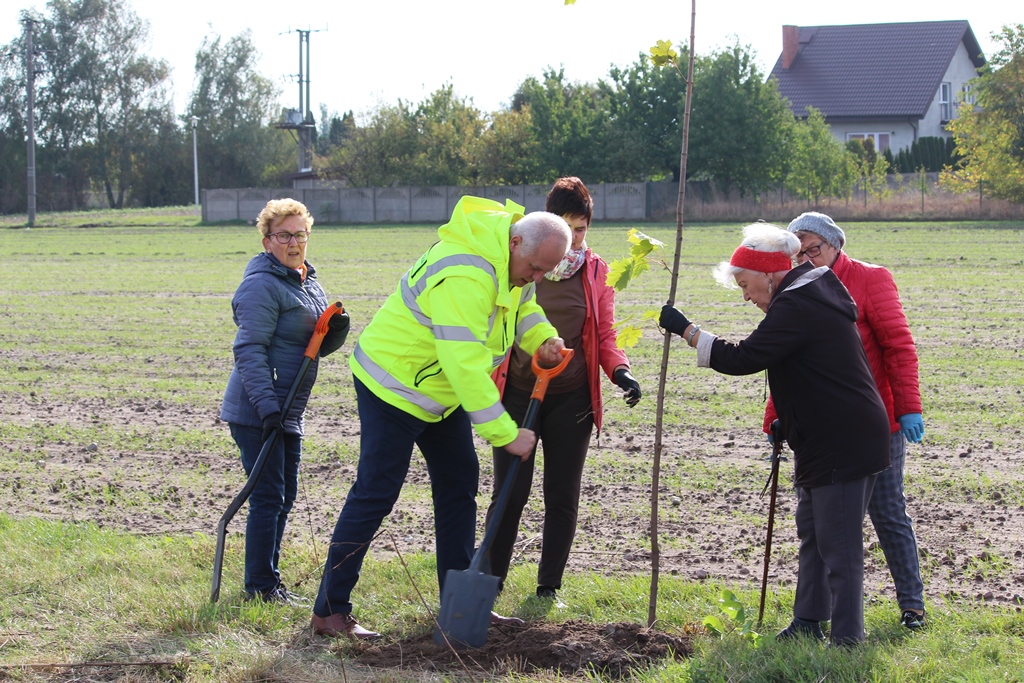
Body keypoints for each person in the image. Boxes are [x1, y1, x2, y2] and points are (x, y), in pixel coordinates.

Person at [310, 196, 571, 639]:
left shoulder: (513, 259)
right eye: (536, 268)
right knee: (376, 492)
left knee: (458, 486)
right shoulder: (465, 272)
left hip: (438, 394)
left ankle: (460, 607)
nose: (537, 278)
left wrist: (543, 337)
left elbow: (521, 306)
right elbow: (464, 362)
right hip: (393, 385)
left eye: (546, 272)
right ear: (515, 242)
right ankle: (329, 612)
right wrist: (506, 434)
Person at [659, 222, 890, 646]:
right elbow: (811, 368)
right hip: (828, 433)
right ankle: (808, 621)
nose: (746, 296)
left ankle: (847, 641)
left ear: (768, 273)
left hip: (844, 438)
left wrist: (687, 331)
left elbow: (745, 357)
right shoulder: (808, 293)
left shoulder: (798, 302)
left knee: (838, 546)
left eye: (746, 285)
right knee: (814, 532)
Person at [762, 211, 926, 630]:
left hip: (875, 423)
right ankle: (815, 619)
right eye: (798, 252)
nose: (806, 259)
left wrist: (908, 408)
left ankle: (912, 605)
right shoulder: (793, 288)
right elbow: (782, 360)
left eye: (813, 249)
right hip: (819, 432)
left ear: (836, 245)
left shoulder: (870, 279)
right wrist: (776, 419)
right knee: (818, 524)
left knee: (887, 512)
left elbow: (898, 346)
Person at [485, 177, 641, 603]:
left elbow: (604, 334)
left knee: (562, 494)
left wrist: (620, 371)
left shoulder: (596, 270)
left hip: (571, 398)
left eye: (582, 229)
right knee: (510, 491)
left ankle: (548, 588)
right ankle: (489, 583)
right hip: (519, 392)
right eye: (567, 228)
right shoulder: (524, 260)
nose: (574, 240)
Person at [220, 198, 350, 604]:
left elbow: (307, 345)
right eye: (284, 235)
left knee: (285, 494)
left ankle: (269, 582)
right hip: (258, 406)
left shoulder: (307, 281)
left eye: (300, 234)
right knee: (268, 495)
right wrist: (268, 408)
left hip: (288, 407)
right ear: (267, 241)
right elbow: (250, 349)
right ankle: (259, 587)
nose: (293, 242)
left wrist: (335, 333)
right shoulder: (261, 284)